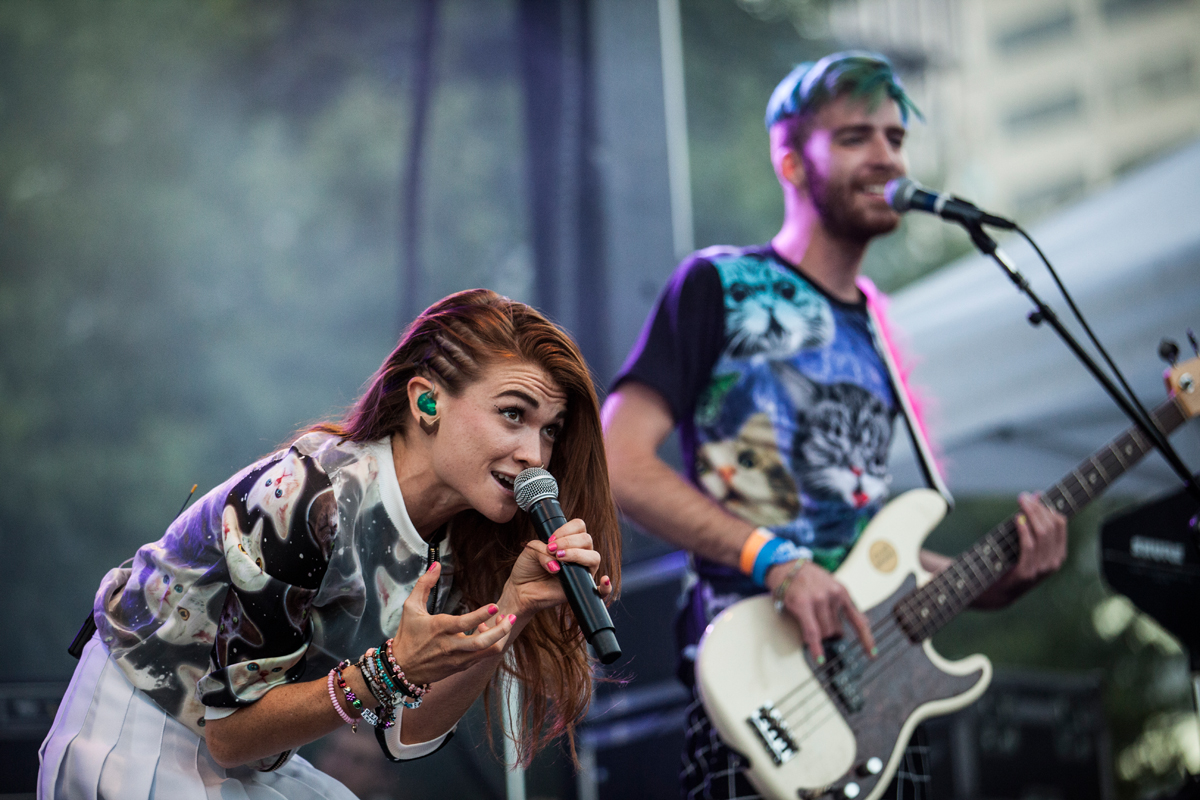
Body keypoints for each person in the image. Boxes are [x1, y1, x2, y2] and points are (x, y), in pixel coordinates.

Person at [601, 52, 1068, 799]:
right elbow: (618, 462)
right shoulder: (722, 283)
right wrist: (777, 561)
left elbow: (867, 556)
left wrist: (997, 581)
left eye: (895, 137)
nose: (886, 156)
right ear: (791, 162)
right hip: (755, 680)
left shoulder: (879, 326)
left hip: (876, 697)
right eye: (855, 137)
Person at [40, 288, 621, 799]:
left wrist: (513, 609)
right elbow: (230, 735)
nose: (535, 455)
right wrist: (393, 670)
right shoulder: (307, 498)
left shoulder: (462, 535)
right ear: (426, 402)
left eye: (548, 430)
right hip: (140, 730)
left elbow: (410, 735)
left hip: (244, 755)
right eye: (512, 415)